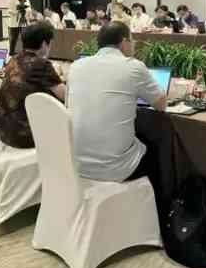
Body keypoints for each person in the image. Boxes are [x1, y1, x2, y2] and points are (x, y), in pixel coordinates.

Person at [68, 22, 166, 182]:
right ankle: (157, 199)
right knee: (155, 148)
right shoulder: (133, 67)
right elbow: (161, 104)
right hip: (115, 168)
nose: (133, 45)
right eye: (132, 41)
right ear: (124, 42)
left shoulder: (76, 66)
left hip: (76, 164)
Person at [0, 22, 66, 149]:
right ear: (44, 44)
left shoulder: (13, 60)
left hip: (5, 130)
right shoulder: (41, 65)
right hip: (25, 134)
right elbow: (65, 96)